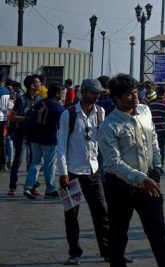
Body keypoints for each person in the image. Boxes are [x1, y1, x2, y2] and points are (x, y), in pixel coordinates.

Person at [98, 73, 165, 267]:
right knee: (119, 233)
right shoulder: (109, 125)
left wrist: (157, 167)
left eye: (134, 92)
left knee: (158, 233)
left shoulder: (145, 111)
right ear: (116, 97)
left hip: (150, 181)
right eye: (128, 95)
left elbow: (153, 139)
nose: (134, 97)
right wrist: (140, 179)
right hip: (120, 185)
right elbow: (113, 163)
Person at [55, 78, 110, 266]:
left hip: (93, 171)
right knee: (71, 214)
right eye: (94, 92)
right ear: (84, 93)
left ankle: (107, 251)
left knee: (102, 212)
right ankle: (74, 253)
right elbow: (61, 145)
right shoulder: (68, 115)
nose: (97, 96)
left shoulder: (100, 113)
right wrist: (62, 172)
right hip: (71, 172)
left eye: (98, 93)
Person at [25, 81, 65, 198]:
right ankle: (50, 189)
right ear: (57, 93)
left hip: (34, 137)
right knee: (49, 164)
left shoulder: (40, 102)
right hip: (50, 138)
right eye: (62, 93)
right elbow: (64, 121)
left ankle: (28, 187)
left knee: (36, 162)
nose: (62, 95)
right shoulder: (57, 106)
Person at [8, 74, 40, 196]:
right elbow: (13, 116)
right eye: (38, 82)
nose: (40, 85)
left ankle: (33, 186)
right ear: (32, 85)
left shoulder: (38, 100)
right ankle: (12, 186)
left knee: (33, 160)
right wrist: (28, 118)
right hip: (21, 134)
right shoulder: (22, 100)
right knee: (18, 160)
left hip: (33, 134)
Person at [149, 85, 165, 166]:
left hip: (152, 129)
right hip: (163, 129)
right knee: (161, 147)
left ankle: (153, 164)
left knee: (153, 147)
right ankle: (160, 165)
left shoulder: (151, 103)